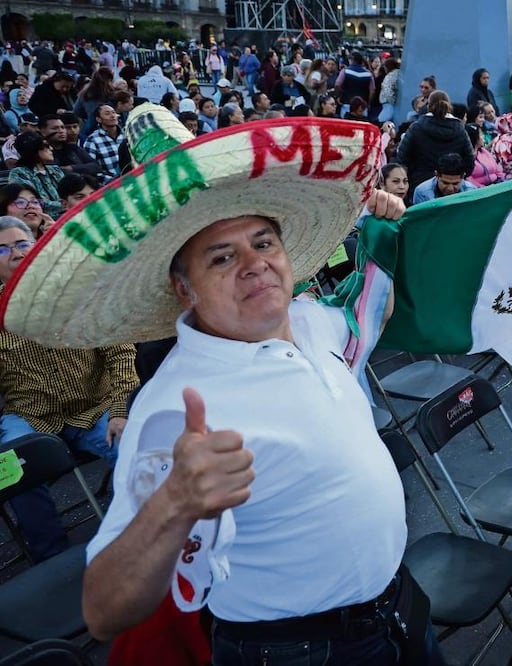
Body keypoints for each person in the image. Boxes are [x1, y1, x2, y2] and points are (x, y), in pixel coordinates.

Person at [0, 105, 444, 666]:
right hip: (300, 651)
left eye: (263, 243)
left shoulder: (311, 321)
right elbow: (104, 608)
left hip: (400, 612)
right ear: (184, 292)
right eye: (221, 257)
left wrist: (386, 221)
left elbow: (366, 309)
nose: (254, 265)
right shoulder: (175, 411)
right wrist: (175, 505)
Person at [0, 214, 137, 562]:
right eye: (1, 249)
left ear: (36, 247)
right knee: (16, 461)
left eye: (21, 243)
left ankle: (143, 541)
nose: (14, 253)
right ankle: (52, 562)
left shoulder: (75, 293)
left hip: (94, 405)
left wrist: (120, 408)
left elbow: (119, 349)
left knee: (136, 448)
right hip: (30, 415)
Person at [395, 90, 474, 200]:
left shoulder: (416, 128)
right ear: (449, 106)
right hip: (454, 189)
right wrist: (455, 179)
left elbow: (402, 160)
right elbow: (469, 163)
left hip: (418, 187)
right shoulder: (460, 130)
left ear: (428, 106)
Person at [9, 132, 65, 219]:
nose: (51, 148)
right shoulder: (19, 173)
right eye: (46, 146)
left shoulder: (55, 170)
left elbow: (70, 193)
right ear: (34, 149)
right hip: (43, 219)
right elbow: (33, 202)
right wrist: (68, 204)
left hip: (68, 214)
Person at [83, 104, 122, 181]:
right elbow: (92, 170)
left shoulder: (126, 134)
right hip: (111, 184)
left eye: (113, 113)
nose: (112, 116)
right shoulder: (92, 140)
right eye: (107, 114)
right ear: (99, 119)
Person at [465, 123, 504, 187]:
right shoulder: (466, 157)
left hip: (496, 184)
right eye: (481, 134)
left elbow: (497, 170)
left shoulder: (484, 152)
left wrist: (501, 181)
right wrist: (483, 188)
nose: (483, 136)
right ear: (475, 137)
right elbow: (468, 178)